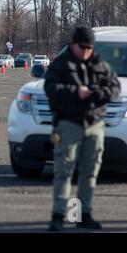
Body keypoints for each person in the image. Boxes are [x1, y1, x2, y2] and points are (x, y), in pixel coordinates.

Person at [44, 27, 120, 232]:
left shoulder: (99, 63)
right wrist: (75, 92)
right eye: (82, 47)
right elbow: (50, 88)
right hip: (69, 123)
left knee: (89, 172)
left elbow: (114, 87)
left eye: (89, 47)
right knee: (64, 171)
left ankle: (82, 215)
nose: (86, 51)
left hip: (94, 124)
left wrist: (96, 94)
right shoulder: (61, 64)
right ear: (73, 44)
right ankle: (59, 216)